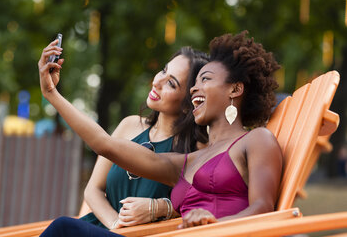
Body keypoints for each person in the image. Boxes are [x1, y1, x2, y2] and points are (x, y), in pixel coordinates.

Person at [39, 30, 283, 236]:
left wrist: (214, 225)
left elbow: (263, 208)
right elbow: (105, 145)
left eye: (205, 79)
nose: (195, 89)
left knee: (63, 229)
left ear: (235, 88)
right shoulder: (187, 162)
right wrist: (52, 94)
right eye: (194, 83)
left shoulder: (256, 140)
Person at [79, 47, 209, 229]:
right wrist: (116, 224)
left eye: (171, 83)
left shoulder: (198, 149)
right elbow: (93, 189)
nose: (157, 82)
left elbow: (205, 203)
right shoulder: (129, 126)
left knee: (60, 227)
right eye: (163, 70)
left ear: (188, 103)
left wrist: (159, 208)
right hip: (104, 228)